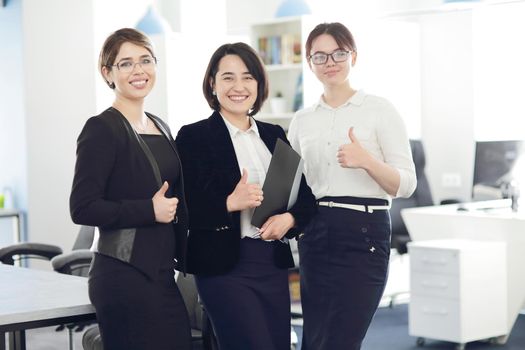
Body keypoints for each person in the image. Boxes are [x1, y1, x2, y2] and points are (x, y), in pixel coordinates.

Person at [175, 42, 315, 350]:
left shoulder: (274, 134)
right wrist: (229, 203)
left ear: (259, 84)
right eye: (227, 77)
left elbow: (305, 198)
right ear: (212, 84)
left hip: (272, 263)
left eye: (247, 77)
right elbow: (182, 210)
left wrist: (289, 219)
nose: (238, 86)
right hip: (223, 267)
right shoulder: (194, 136)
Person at [287, 22, 417, 349]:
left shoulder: (379, 110)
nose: (330, 62)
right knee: (313, 338)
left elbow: (407, 184)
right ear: (310, 62)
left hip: (364, 230)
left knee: (343, 338)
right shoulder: (303, 119)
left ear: (353, 56)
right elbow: (289, 182)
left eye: (338, 53)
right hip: (315, 232)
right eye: (320, 56)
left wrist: (367, 161)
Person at [69, 28, 191, 350]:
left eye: (145, 60)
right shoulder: (101, 129)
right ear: (108, 73)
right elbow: (82, 207)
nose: (138, 70)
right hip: (123, 275)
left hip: (162, 274)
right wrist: (148, 210)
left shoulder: (161, 125)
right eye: (125, 64)